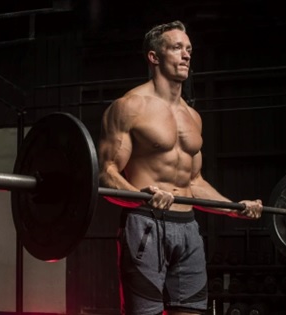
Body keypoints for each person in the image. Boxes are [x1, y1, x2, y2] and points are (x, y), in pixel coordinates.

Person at [97, 21, 264, 315]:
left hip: (188, 227)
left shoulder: (193, 117)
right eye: (176, 48)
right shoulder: (129, 106)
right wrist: (142, 195)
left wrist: (235, 207)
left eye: (189, 49)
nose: (186, 55)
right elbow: (106, 173)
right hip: (145, 223)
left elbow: (195, 181)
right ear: (154, 57)